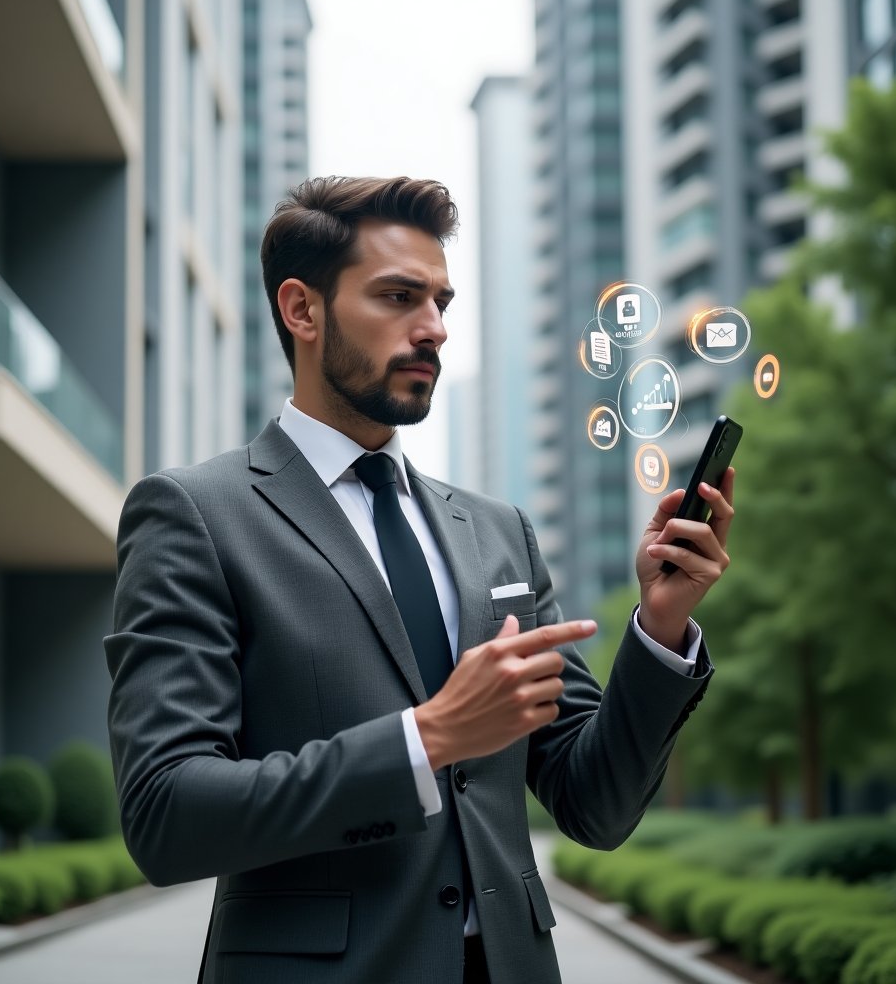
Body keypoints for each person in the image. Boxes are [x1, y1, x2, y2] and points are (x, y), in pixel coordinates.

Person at [105, 175, 735, 984]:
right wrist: (425, 739)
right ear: (302, 310)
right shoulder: (195, 515)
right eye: (399, 297)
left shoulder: (498, 531)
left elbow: (595, 805)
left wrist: (663, 629)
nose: (433, 328)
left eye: (441, 301)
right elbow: (166, 814)